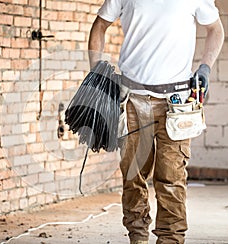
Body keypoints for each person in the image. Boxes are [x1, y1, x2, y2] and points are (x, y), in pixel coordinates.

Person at [88, 1, 224, 243]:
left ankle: (170, 239)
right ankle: (137, 237)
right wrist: (96, 71)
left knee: (172, 178)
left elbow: (216, 29)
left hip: (177, 104)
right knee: (133, 176)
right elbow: (99, 26)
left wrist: (205, 67)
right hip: (133, 99)